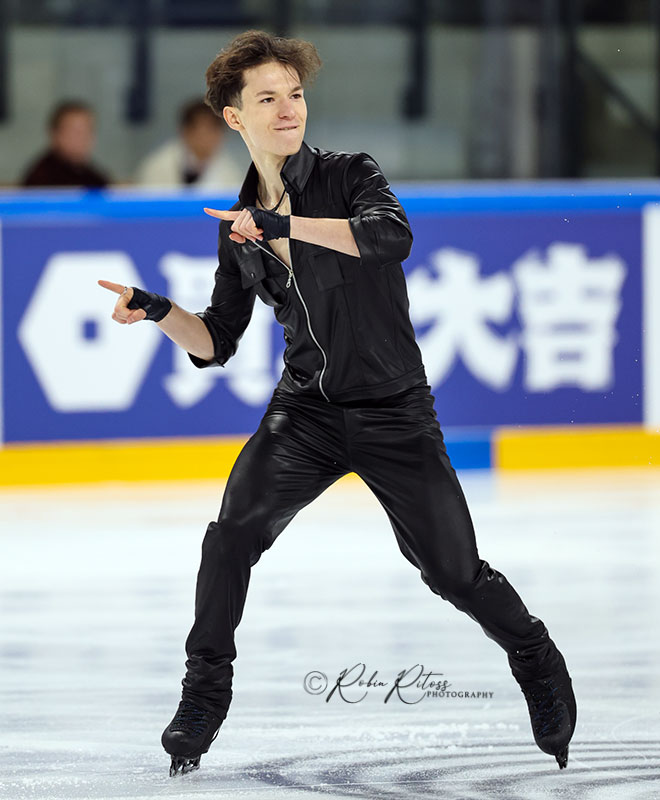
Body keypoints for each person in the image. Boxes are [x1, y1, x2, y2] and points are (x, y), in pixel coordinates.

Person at [99, 29, 577, 777]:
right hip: (307, 414)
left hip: (395, 410)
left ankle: (536, 657)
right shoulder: (238, 228)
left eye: (295, 94)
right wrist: (158, 310)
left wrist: (284, 226)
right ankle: (205, 690)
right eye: (267, 99)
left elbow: (390, 237)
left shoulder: (351, 173)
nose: (288, 109)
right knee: (230, 538)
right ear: (234, 117)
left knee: (453, 573)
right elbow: (216, 342)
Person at [135, 98, 244, 188]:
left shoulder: (231, 173)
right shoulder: (158, 166)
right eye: (201, 130)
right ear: (185, 131)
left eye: (212, 130)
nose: (206, 138)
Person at [21, 100, 110, 188]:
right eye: (74, 131)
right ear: (55, 134)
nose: (83, 137)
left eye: (87, 130)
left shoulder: (95, 178)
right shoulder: (40, 180)